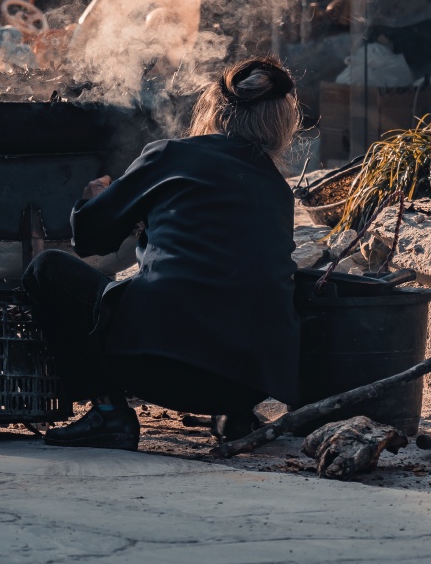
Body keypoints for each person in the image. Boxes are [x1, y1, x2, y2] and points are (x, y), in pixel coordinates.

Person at [22, 56, 302, 451]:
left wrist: (93, 199)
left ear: (213, 109)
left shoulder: (170, 155)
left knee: (46, 269)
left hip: (154, 368)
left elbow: (89, 236)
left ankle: (108, 411)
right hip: (247, 385)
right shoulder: (278, 190)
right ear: (281, 123)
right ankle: (233, 416)